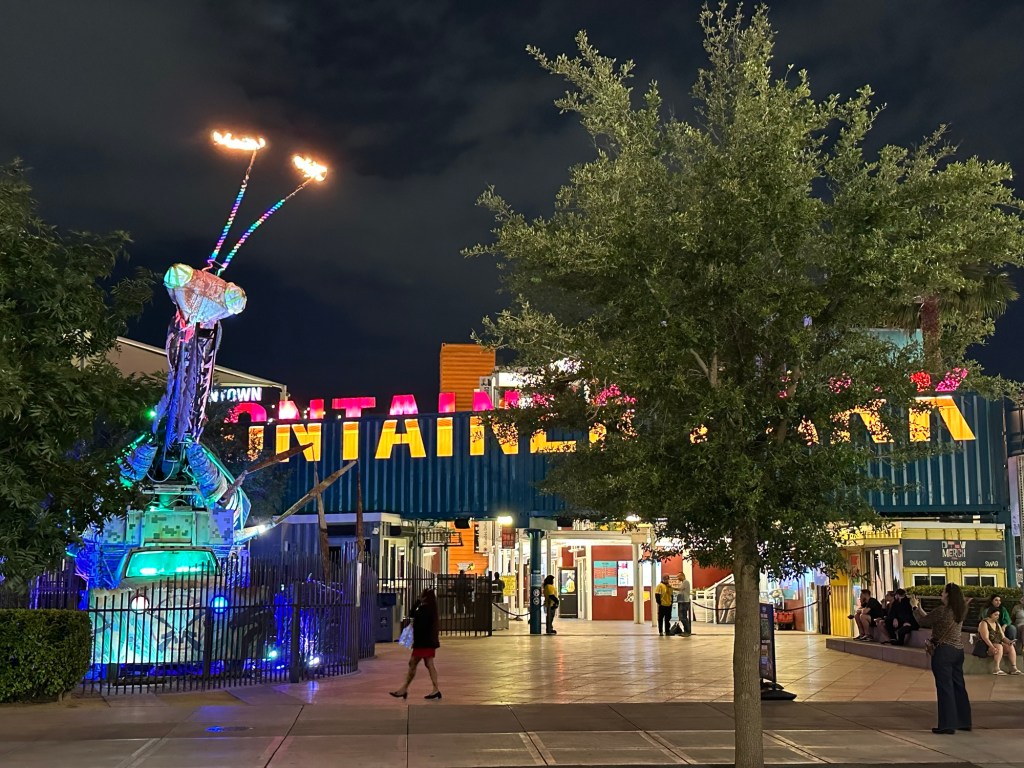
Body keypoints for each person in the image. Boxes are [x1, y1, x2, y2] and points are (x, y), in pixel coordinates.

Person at [909, 584, 972, 734]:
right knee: (958, 686)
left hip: (943, 652)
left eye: (943, 592)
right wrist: (920, 608)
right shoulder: (960, 611)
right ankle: (963, 721)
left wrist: (914, 607)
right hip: (958, 651)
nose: (941, 594)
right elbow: (930, 618)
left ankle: (947, 724)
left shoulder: (942, 610)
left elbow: (923, 622)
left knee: (945, 688)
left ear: (948, 595)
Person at [389, 587, 442, 700]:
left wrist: (418, 601)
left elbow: (412, 614)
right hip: (428, 642)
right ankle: (434, 689)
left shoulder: (424, 610)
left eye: (421, 595)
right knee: (428, 664)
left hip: (423, 643)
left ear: (425, 597)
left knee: (414, 663)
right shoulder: (431, 609)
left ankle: (405, 689)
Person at [977, 604, 1021, 675]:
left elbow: (1003, 637)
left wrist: (1009, 642)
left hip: (997, 644)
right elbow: (985, 638)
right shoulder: (984, 623)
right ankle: (996, 668)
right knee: (999, 646)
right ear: (990, 614)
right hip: (986, 646)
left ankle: (1014, 668)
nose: (997, 616)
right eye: (995, 615)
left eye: (998, 615)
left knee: (1010, 646)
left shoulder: (997, 624)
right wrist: (992, 647)